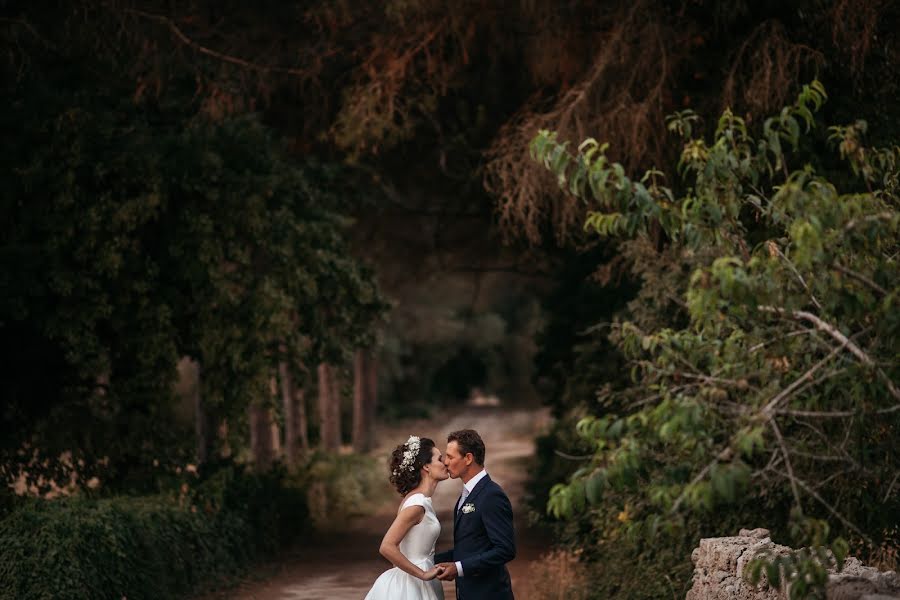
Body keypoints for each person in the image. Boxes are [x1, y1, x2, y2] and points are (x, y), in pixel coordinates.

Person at [365, 435, 450, 600]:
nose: (445, 462)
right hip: (411, 583)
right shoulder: (416, 504)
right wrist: (423, 574)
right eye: (440, 459)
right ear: (426, 466)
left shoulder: (418, 499)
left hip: (417, 578)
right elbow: (387, 546)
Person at [435, 429, 516, 599]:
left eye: (450, 457)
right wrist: (426, 561)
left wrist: (459, 568)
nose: (446, 463)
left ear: (468, 458)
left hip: (489, 594)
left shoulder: (492, 495)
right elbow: (469, 547)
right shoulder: (466, 495)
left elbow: (505, 549)